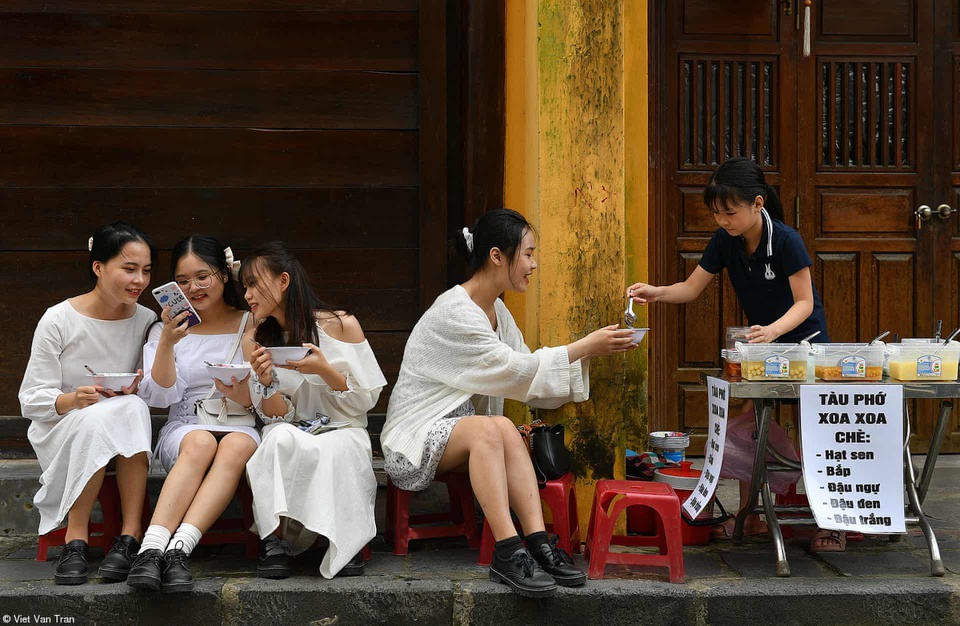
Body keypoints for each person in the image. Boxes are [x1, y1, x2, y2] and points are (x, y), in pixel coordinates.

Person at [380, 208, 639, 598]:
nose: (534, 265)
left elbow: (526, 376)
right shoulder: (454, 311)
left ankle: (537, 543)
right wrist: (583, 346)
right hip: (414, 435)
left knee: (501, 428)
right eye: (529, 254)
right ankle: (506, 550)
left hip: (464, 430)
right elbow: (515, 370)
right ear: (497, 256)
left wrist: (588, 353)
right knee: (491, 429)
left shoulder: (497, 310)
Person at [626, 156, 841, 552]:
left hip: (805, 345)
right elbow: (690, 289)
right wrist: (655, 292)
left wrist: (776, 331)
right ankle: (752, 515)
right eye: (716, 213)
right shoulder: (725, 242)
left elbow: (805, 303)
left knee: (813, 428)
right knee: (749, 423)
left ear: (757, 204)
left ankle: (830, 523)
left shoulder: (788, 240)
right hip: (762, 347)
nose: (723, 220)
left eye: (730, 212)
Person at [18, 222, 157, 585]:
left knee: (132, 408)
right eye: (129, 269)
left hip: (122, 423)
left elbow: (155, 386)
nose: (139, 280)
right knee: (101, 417)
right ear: (98, 267)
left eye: (145, 271)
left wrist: (135, 390)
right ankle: (75, 536)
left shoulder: (147, 320)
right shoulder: (59, 319)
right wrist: (74, 399)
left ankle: (128, 537)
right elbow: (31, 400)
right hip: (61, 427)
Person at [242, 242, 386, 579]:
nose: (247, 295)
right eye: (244, 286)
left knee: (342, 448)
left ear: (283, 281)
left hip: (342, 425)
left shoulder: (341, 324)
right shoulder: (257, 339)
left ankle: (345, 542)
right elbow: (276, 416)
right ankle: (274, 539)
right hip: (297, 428)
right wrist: (266, 383)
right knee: (275, 437)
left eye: (253, 283)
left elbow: (366, 400)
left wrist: (325, 370)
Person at [127, 236, 258, 593]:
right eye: (182, 281)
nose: (193, 288)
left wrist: (243, 391)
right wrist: (168, 341)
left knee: (234, 445)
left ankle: (178, 551)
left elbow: (267, 392)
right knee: (200, 441)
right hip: (185, 427)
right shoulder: (164, 329)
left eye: (203, 276)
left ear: (224, 274)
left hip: (238, 423)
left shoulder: (251, 322)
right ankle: (152, 549)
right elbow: (160, 394)